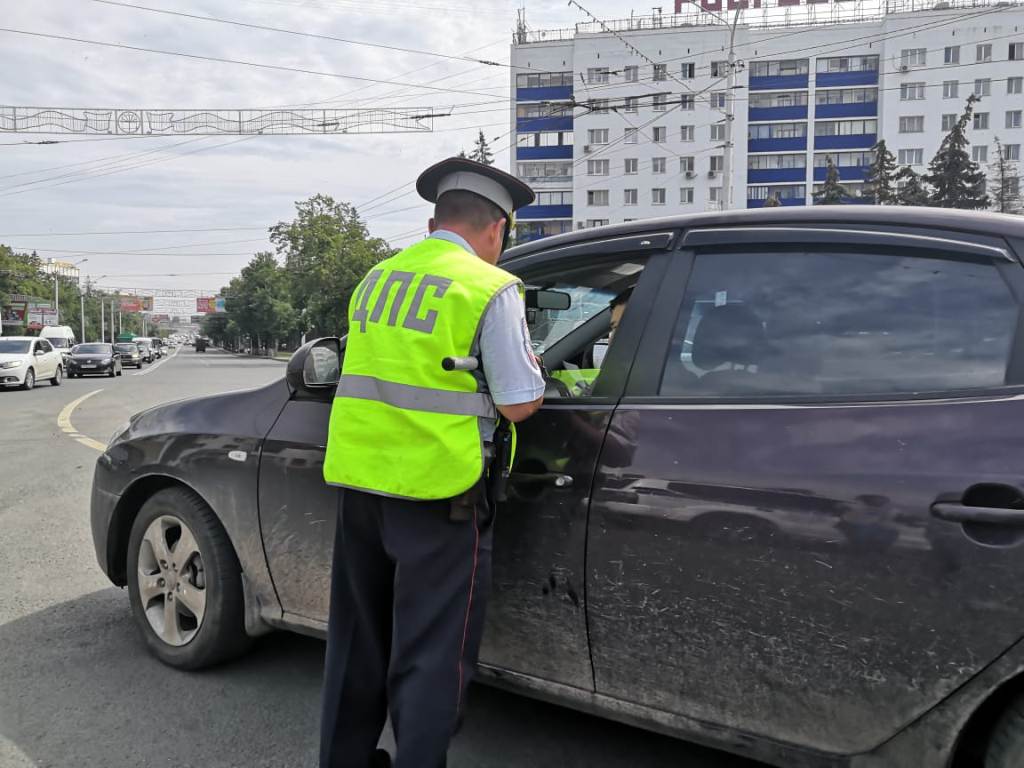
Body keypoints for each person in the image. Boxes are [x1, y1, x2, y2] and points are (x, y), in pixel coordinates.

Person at [319, 157, 546, 768]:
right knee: (431, 658)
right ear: (498, 228)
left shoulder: (375, 278)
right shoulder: (488, 288)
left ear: (433, 221)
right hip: (440, 498)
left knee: (356, 645)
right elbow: (521, 403)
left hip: (361, 490)